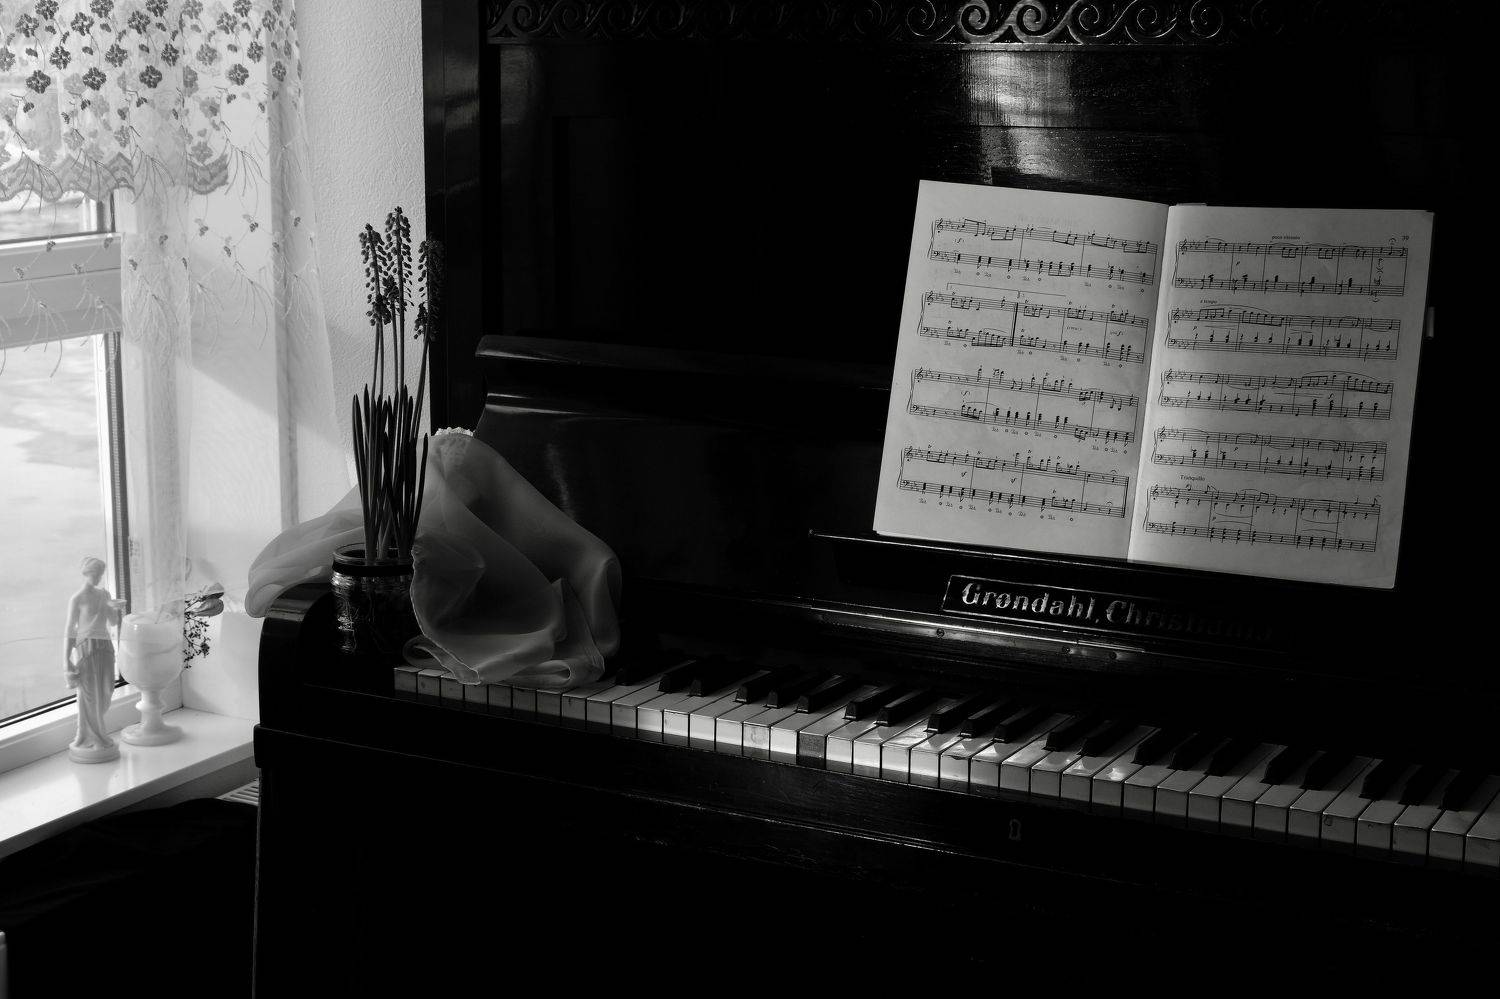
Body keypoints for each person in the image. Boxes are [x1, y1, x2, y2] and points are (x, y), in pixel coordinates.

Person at [63, 556, 126, 763]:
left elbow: (113, 622)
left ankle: (97, 733)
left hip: (104, 646)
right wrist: (66, 661)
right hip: (86, 649)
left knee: (106, 690)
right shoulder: (77, 598)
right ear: (87, 573)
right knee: (89, 695)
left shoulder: (104, 594)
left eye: (101, 573)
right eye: (95, 573)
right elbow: (69, 631)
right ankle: (91, 737)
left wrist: (116, 610)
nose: (99, 577)